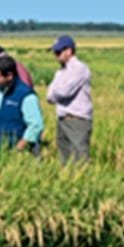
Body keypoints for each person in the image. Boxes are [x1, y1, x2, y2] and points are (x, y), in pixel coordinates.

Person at [46, 35, 93, 164]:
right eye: (55, 52)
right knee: (64, 159)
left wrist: (55, 93)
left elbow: (64, 91)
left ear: (69, 51)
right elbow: (49, 95)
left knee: (80, 158)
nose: (56, 55)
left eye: (58, 52)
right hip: (62, 118)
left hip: (77, 119)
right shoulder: (60, 72)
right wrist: (55, 93)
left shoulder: (80, 69)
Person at [0, 57, 44, 155]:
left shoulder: (26, 95)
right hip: (0, 148)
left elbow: (36, 125)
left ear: (9, 76)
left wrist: (20, 147)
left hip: (18, 152)